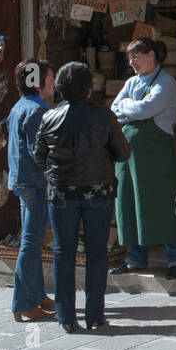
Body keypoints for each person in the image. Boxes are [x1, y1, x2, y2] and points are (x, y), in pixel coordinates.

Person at [34, 62, 131, 333]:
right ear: (89, 89)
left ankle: (66, 316)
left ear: (61, 89)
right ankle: (95, 315)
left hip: (62, 191)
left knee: (63, 252)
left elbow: (38, 156)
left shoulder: (49, 118)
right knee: (97, 253)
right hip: (98, 192)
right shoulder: (104, 117)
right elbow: (123, 154)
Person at [110, 37, 176, 279]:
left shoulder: (166, 83)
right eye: (129, 58)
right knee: (132, 203)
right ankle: (135, 258)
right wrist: (134, 107)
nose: (132, 62)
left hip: (157, 156)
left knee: (165, 204)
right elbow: (114, 107)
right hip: (130, 155)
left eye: (136, 56)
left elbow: (146, 109)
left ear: (151, 55)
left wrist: (130, 108)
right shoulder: (132, 82)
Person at [8, 59, 56, 322]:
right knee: (31, 244)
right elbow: (39, 153)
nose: (54, 82)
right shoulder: (37, 111)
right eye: (50, 78)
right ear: (37, 83)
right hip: (36, 184)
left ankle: (37, 295)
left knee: (32, 242)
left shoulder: (20, 107)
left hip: (24, 182)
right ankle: (23, 302)